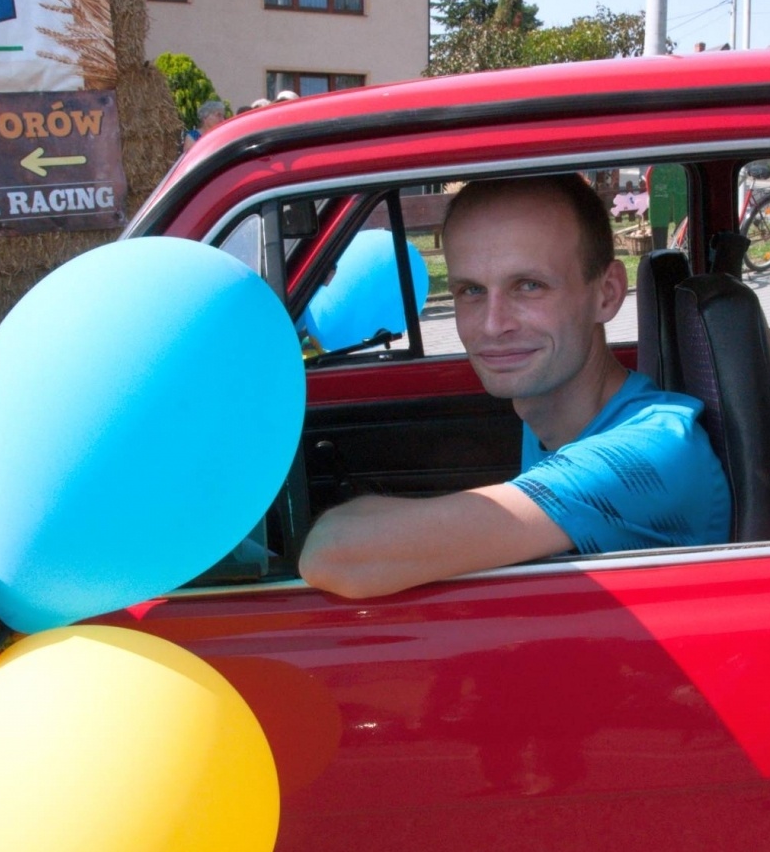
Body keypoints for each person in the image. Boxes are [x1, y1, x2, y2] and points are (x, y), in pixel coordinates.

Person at [298, 174, 731, 599]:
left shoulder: (647, 456)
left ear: (607, 293)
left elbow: (335, 554)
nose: (492, 325)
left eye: (529, 286)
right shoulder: (551, 412)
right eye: (470, 290)